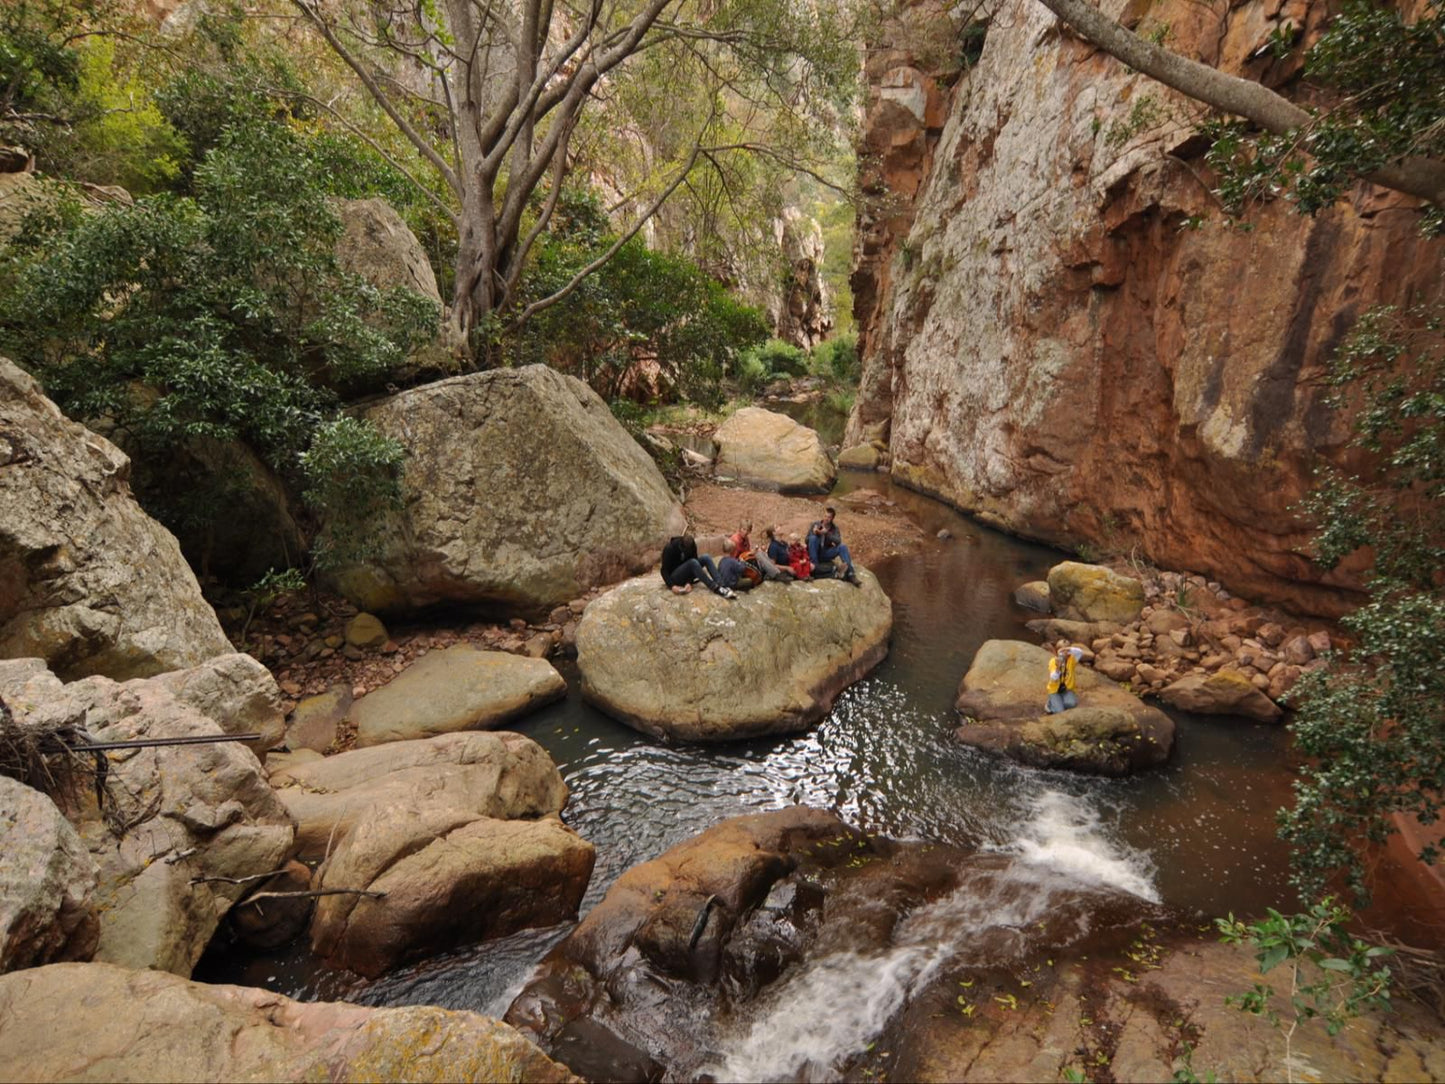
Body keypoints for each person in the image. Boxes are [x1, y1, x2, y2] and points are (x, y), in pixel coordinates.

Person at [660, 534, 734, 598]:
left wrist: (689, 582)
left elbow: (694, 565)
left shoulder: (692, 545)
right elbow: (664, 571)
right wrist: (672, 586)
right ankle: (715, 588)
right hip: (674, 576)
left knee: (706, 557)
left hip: (687, 572)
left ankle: (722, 585)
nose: (688, 552)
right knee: (693, 562)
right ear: (681, 546)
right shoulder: (670, 548)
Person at [807, 505, 859, 584]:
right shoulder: (815, 524)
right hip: (814, 552)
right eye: (825, 516)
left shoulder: (834, 528)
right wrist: (814, 534)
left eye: (828, 517)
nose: (826, 518)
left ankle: (850, 573)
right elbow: (806, 540)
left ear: (832, 518)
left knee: (843, 547)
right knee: (813, 538)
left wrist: (827, 533)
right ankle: (816, 568)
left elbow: (838, 541)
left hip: (825, 552)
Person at [1046, 643, 1085, 713]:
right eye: (1062, 652)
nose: (1065, 653)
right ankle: (1050, 704)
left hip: (1066, 689)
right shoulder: (1053, 661)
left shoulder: (1071, 659)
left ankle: (1058, 702)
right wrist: (1058, 667)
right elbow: (1054, 677)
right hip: (1054, 690)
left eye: (1066, 651)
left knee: (1072, 704)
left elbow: (1080, 652)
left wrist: (1068, 649)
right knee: (1060, 711)